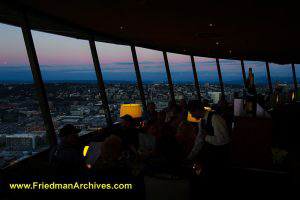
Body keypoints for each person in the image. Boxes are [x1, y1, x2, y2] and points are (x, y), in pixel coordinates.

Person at [187, 100, 230, 177]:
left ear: (197, 110)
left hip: (218, 159)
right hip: (209, 157)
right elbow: (199, 142)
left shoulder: (215, 118)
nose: (192, 116)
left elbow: (224, 140)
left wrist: (206, 137)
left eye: (192, 113)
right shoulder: (202, 121)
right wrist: (190, 156)